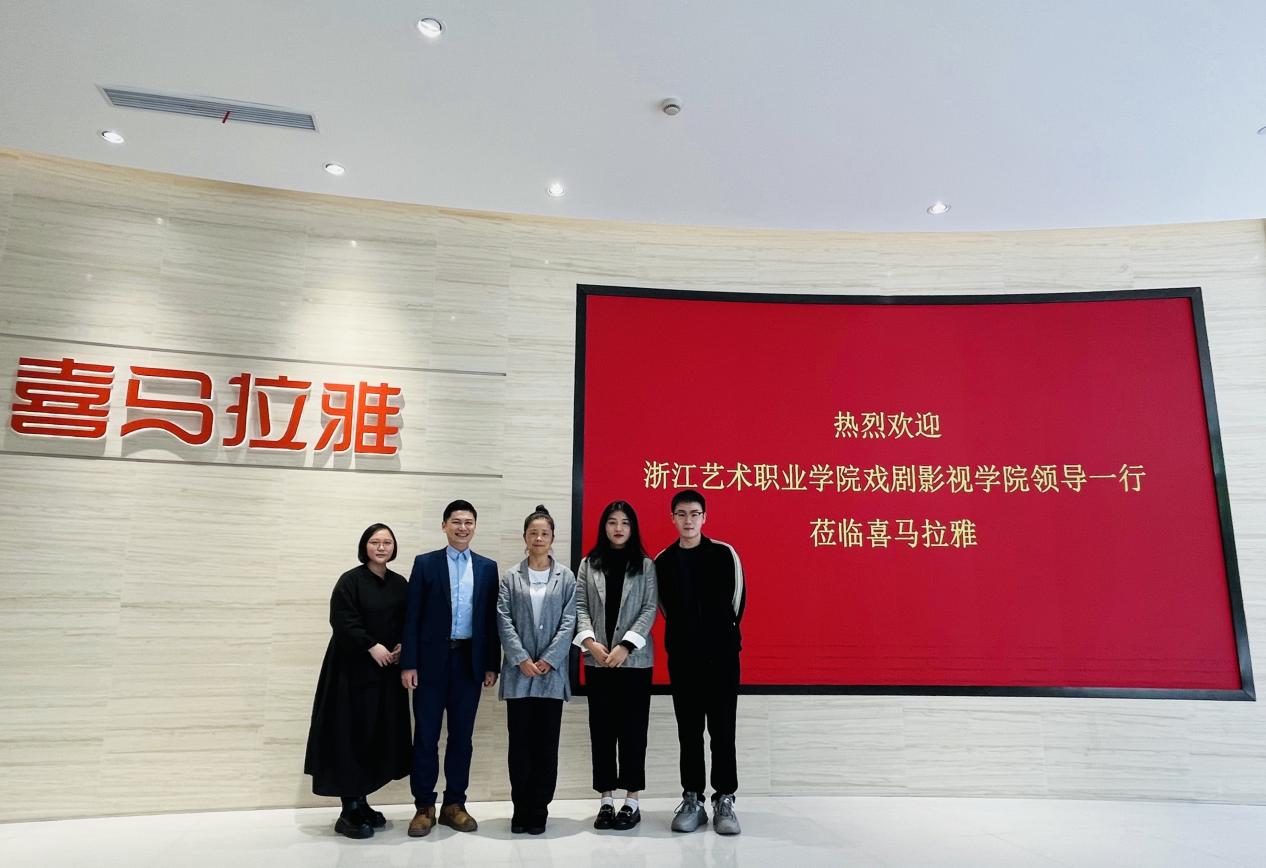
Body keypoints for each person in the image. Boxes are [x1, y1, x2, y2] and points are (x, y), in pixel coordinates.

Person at [304, 523, 411, 839]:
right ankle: (348, 809)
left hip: (385, 674)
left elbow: (408, 620)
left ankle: (362, 802)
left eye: (387, 542)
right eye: (375, 542)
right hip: (350, 673)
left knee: (375, 735)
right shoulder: (350, 581)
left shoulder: (399, 584)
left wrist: (403, 644)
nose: (381, 547)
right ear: (365, 546)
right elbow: (342, 619)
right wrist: (370, 645)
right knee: (348, 735)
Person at [399, 500, 500, 838]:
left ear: (475, 527)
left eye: (468, 522)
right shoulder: (425, 564)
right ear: (444, 526)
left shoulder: (487, 568)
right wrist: (409, 662)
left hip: (468, 663)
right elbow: (412, 616)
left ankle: (454, 804)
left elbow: (491, 621)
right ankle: (423, 807)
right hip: (429, 664)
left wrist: (491, 664)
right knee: (425, 737)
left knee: (461, 738)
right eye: (456, 521)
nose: (462, 528)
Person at [654, 489, 746, 836]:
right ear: (672, 518)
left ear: (704, 517)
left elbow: (738, 601)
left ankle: (724, 799)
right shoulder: (663, 561)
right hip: (683, 659)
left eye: (694, 514)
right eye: (681, 514)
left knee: (723, 731)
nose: (688, 520)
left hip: (722, 658)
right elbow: (664, 608)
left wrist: (720, 637)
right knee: (689, 732)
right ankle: (692, 799)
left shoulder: (724, 554)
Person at [573, 499, 657, 830]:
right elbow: (580, 606)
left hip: (634, 663)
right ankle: (606, 799)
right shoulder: (589, 563)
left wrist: (626, 646)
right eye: (612, 522)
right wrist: (590, 643)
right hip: (598, 662)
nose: (618, 528)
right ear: (604, 526)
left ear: (632, 528)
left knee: (634, 732)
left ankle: (631, 800)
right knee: (602, 731)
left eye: (624, 522)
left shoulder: (645, 565)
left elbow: (649, 608)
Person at [496, 505, 577, 835]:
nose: (539, 538)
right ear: (525, 537)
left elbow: (569, 621)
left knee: (546, 745)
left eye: (545, 533)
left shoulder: (566, 577)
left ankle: (540, 808)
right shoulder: (510, 577)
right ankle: (521, 808)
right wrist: (520, 658)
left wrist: (549, 659)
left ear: (552, 537)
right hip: (519, 674)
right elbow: (503, 619)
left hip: (551, 675)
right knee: (519, 746)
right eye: (533, 533)